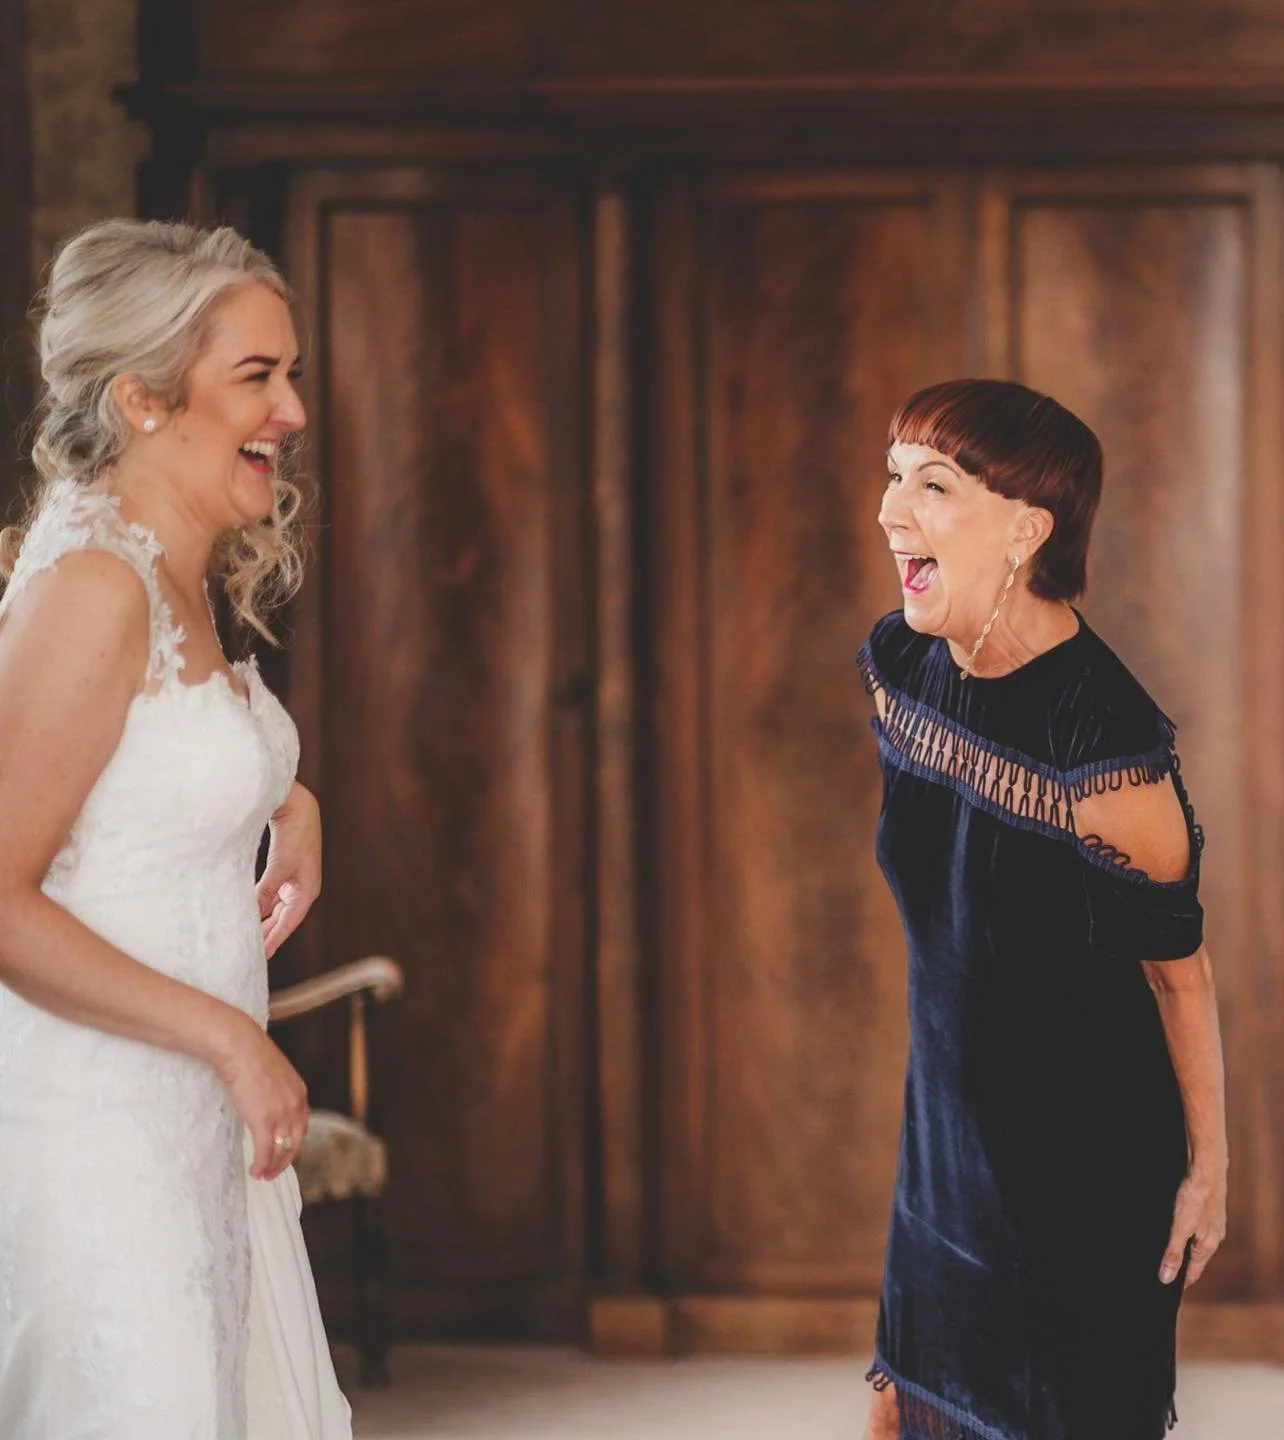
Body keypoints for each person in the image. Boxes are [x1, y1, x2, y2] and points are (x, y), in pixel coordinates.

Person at [0, 219, 351, 1438]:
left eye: (289, 371)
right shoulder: (93, 591)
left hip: (201, 1125)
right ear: (142, 399)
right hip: (109, 1132)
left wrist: (279, 792)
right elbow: (0, 903)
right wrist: (232, 1044)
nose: (292, 410)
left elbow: (141, 761)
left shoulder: (172, 569)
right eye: (256, 376)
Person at [858, 380, 1227, 1440]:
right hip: (942, 1147)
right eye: (892, 478)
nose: (889, 512)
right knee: (902, 1416)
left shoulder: (1104, 749)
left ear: (1027, 529)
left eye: (931, 485)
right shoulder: (900, 668)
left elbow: (1178, 971)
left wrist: (1209, 1169)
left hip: (1081, 1179)